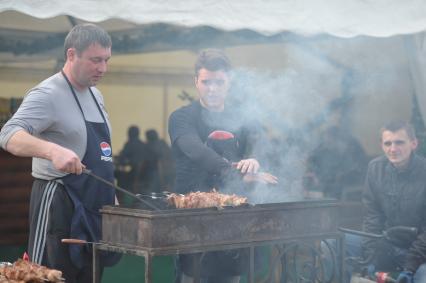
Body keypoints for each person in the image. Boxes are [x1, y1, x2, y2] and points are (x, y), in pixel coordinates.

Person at [0, 24, 118, 283]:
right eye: (95, 60)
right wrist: (52, 150)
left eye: (106, 60)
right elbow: (8, 135)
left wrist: (112, 194)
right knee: (49, 276)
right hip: (59, 202)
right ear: (72, 55)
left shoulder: (96, 95)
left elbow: (102, 153)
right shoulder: (48, 93)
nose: (103, 68)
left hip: (94, 205)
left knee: (88, 276)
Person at [168, 49, 277, 283]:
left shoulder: (244, 119)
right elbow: (195, 150)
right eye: (206, 82)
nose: (213, 89)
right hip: (193, 222)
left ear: (230, 82)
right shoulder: (182, 118)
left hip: (233, 223)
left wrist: (255, 159)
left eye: (219, 82)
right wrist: (236, 172)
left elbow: (260, 143)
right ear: (196, 81)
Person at [336, 121, 426, 283]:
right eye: (388, 143)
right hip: (385, 245)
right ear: (382, 145)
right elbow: (372, 216)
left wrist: (410, 267)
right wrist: (373, 256)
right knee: (333, 243)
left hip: (420, 252)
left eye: (399, 142)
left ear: (414, 143)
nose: (393, 149)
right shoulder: (375, 168)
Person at [304, 126, 368, 199]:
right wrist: (312, 171)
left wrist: (335, 178)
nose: (326, 145)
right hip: (331, 185)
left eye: (329, 142)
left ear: (338, 140)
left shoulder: (353, 150)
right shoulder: (328, 150)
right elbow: (313, 159)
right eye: (326, 142)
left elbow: (357, 171)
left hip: (351, 186)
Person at [116, 125, 149, 197]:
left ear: (129, 134)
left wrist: (119, 159)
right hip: (143, 176)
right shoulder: (143, 144)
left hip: (132, 174)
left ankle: (120, 198)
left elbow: (122, 159)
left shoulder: (129, 143)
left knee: (118, 175)